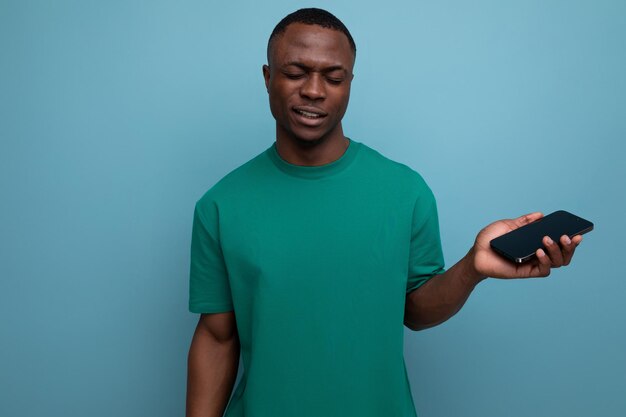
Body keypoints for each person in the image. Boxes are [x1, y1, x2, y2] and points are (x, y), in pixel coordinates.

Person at [186, 8, 583, 417]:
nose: (314, 91)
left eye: (334, 78)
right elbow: (217, 338)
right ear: (268, 78)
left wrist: (472, 268)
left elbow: (415, 311)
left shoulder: (404, 192)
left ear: (350, 85)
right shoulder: (222, 205)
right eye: (296, 73)